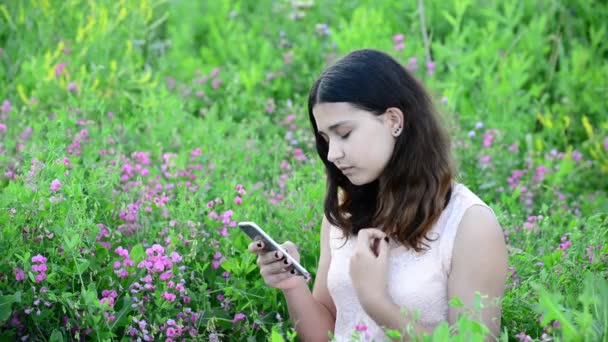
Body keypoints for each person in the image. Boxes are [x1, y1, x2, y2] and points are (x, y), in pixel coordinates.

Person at [248, 49, 508, 341]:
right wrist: (292, 285)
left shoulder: (469, 223)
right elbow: (327, 332)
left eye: (344, 133)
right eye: (325, 139)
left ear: (394, 120)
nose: (333, 154)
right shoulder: (343, 212)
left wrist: (377, 303)